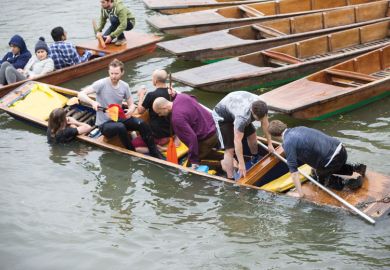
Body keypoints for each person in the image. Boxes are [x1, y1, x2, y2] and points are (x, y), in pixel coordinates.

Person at [78, 59, 163, 158]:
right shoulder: (101, 84)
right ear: (109, 72)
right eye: (111, 73)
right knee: (120, 127)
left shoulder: (124, 86)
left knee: (142, 124)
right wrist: (92, 102)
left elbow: (131, 105)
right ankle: (132, 153)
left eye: (116, 73)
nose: (113, 76)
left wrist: (131, 110)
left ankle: (155, 152)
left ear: (122, 72)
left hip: (120, 118)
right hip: (105, 124)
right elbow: (81, 94)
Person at [268, 120, 367, 197]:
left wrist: (300, 193)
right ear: (284, 125)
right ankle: (355, 168)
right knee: (322, 169)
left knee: (321, 181)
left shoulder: (288, 143)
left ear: (275, 136)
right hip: (341, 150)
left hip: (331, 160)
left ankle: (347, 183)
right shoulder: (300, 128)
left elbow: (294, 173)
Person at [212, 91, 274, 179]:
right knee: (230, 149)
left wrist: (270, 143)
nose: (259, 120)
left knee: (252, 135)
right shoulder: (242, 118)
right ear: (252, 111)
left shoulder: (262, 106)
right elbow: (237, 141)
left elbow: (265, 124)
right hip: (222, 117)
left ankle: (255, 158)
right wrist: (241, 164)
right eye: (257, 119)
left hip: (235, 106)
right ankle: (230, 178)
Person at [153, 94, 218, 168]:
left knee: (190, 166)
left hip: (207, 138)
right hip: (215, 126)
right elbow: (194, 98)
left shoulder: (177, 119)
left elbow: (192, 138)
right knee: (204, 152)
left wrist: (194, 160)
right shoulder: (181, 96)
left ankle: (223, 165)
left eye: (159, 113)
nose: (160, 115)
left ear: (164, 108)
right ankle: (223, 156)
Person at [134, 69, 175, 153]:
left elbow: (140, 111)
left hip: (159, 137)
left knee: (133, 145)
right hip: (172, 133)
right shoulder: (172, 92)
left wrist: (141, 95)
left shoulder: (151, 95)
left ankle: (157, 149)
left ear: (155, 80)